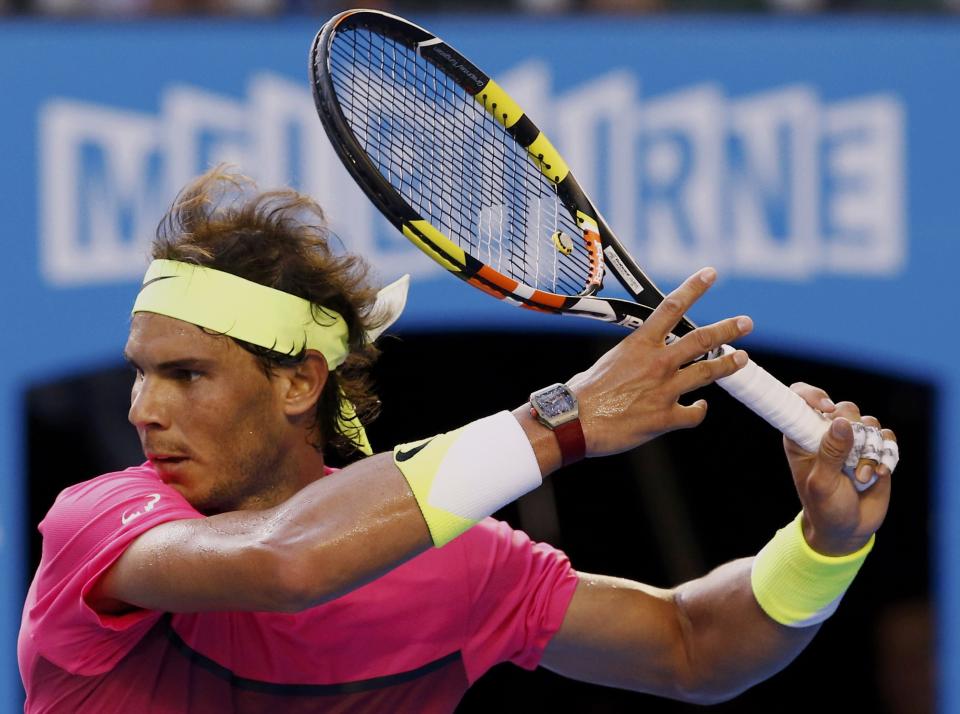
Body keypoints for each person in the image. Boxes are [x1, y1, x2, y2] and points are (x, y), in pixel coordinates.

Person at [18, 167, 897, 713]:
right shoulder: (102, 522)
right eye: (141, 371)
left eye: (186, 374)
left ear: (297, 383)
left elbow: (695, 648)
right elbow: (291, 562)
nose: (142, 408)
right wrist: (563, 419)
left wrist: (829, 544)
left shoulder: (462, 567)